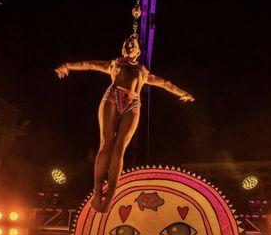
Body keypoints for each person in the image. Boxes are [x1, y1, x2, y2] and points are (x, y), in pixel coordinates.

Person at [55, 37, 195, 212]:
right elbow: (88, 64)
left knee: (119, 149)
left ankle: (108, 199)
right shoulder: (115, 64)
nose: (129, 45)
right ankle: (97, 193)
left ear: (138, 52)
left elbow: (165, 83)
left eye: (133, 45)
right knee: (106, 145)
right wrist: (67, 66)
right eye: (126, 44)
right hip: (112, 98)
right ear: (123, 50)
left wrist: (183, 93)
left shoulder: (143, 72)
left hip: (133, 104)